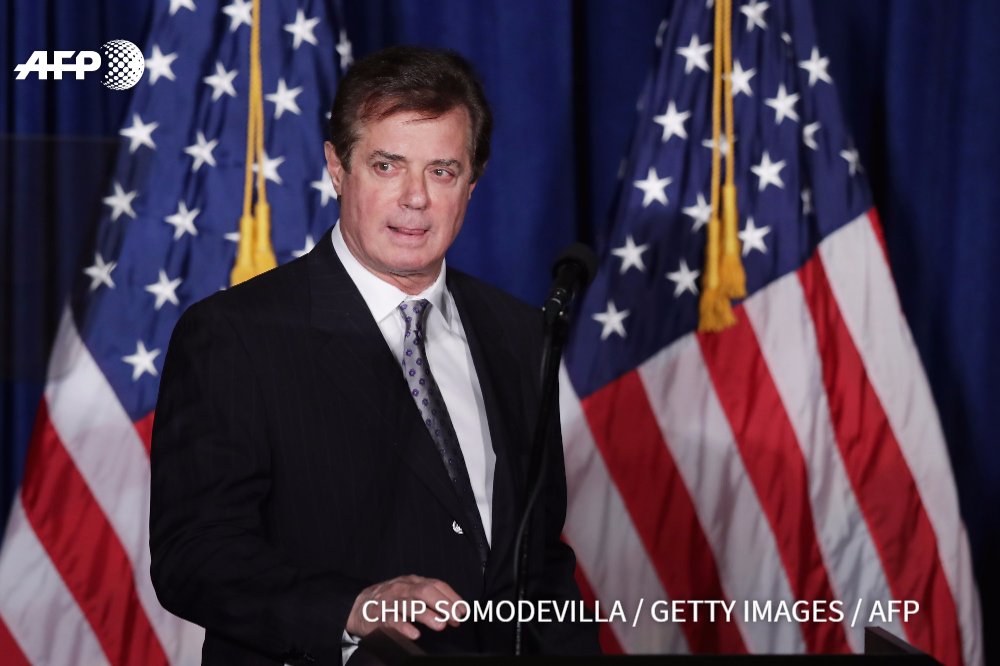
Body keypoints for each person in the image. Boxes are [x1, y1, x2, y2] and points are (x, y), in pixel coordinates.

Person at [149, 45, 600, 664]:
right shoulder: (235, 335)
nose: (416, 198)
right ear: (338, 168)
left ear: (472, 183)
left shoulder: (518, 334)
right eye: (388, 166)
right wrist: (352, 607)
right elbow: (195, 556)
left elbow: (539, 561)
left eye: (442, 171)